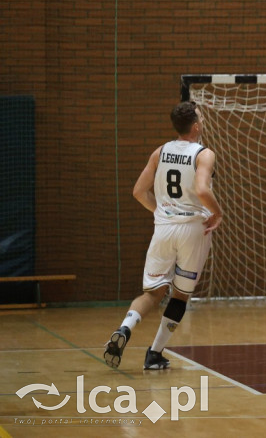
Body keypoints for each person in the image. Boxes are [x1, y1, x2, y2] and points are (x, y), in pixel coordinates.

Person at [103, 102, 224, 370]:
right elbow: (203, 190)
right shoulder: (204, 154)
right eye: (201, 119)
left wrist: (162, 211)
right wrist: (218, 213)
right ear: (195, 126)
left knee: (153, 292)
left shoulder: (160, 152)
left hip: (163, 229)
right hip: (193, 229)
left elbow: (138, 191)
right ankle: (155, 352)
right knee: (180, 295)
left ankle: (125, 328)